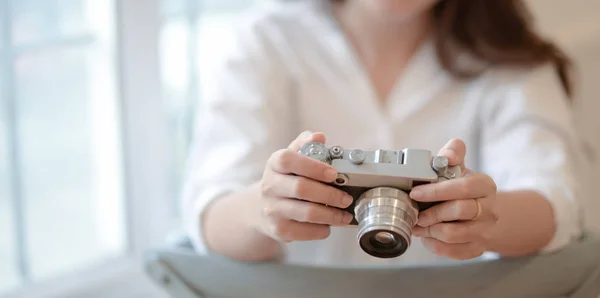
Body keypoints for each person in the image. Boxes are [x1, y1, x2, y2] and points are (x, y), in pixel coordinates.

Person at [181, 0, 588, 266]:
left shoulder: (508, 57)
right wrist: (264, 209)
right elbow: (209, 215)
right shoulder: (265, 40)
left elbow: (558, 205)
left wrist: (481, 217)